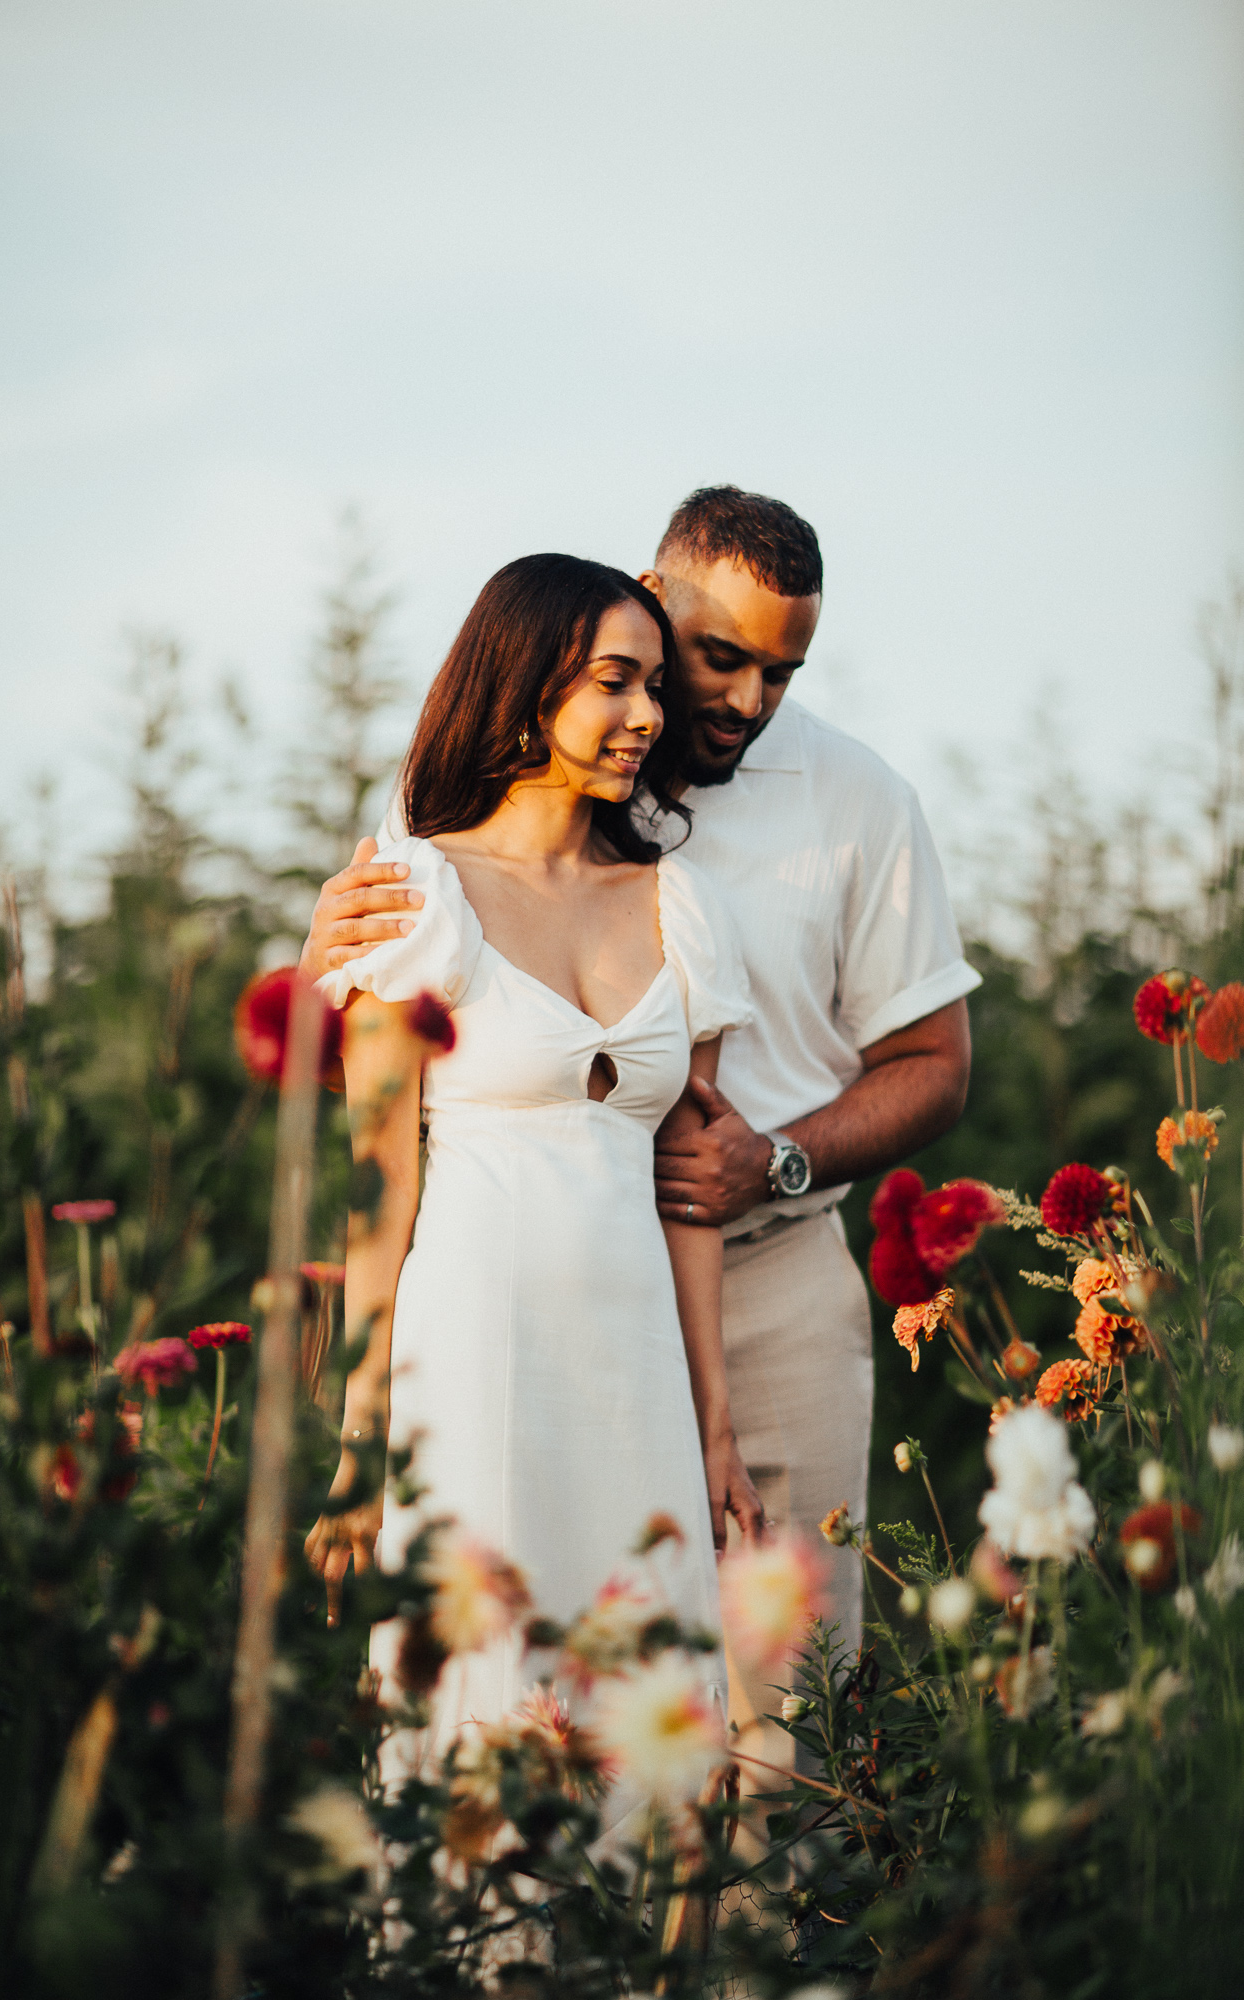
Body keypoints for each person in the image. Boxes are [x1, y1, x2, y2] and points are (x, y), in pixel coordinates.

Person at [301, 488, 978, 1789]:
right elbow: (376, 1125)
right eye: (712, 660)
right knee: (500, 1713)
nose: (737, 700)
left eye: (783, 669)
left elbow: (936, 1067)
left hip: (755, 1277)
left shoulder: (846, 803)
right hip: (498, 1314)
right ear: (649, 605)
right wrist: (317, 964)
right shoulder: (442, 853)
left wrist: (771, 1161)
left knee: (775, 1719)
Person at [304, 552, 765, 1785]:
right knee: (486, 1700)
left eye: (655, 685)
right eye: (615, 680)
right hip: (469, 1362)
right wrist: (361, 1443)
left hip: (638, 1375)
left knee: (648, 1704)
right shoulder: (413, 894)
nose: (649, 716)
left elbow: (691, 1188)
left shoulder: (684, 906)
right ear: (523, 684)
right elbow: (376, 1189)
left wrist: (716, 1425)